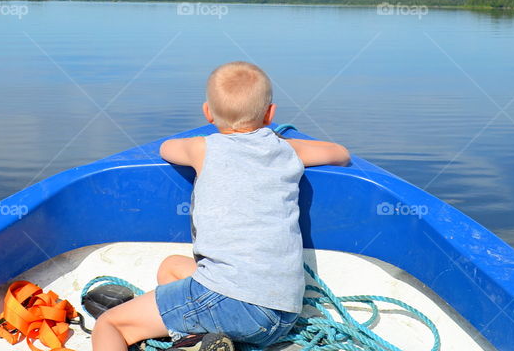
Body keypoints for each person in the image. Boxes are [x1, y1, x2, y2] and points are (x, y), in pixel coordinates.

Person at [91, 61, 351, 351]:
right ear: (270, 113)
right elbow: (340, 153)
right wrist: (280, 141)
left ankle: (195, 333)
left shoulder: (202, 147)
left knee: (109, 325)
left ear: (207, 112)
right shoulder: (288, 149)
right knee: (171, 268)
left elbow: (166, 148)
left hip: (229, 301)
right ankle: (197, 341)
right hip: (281, 315)